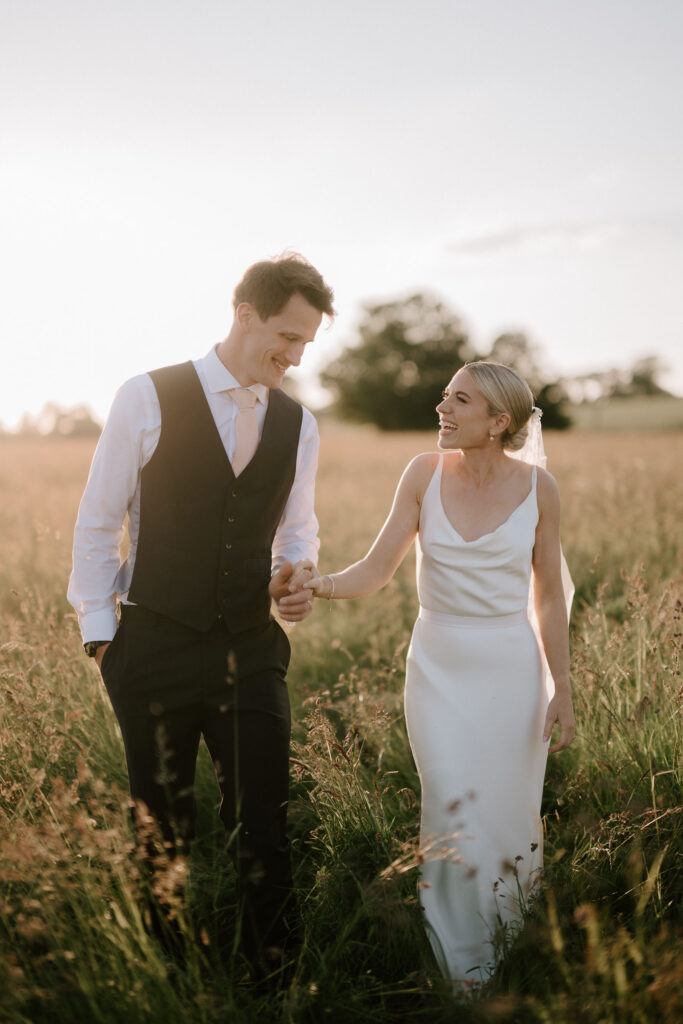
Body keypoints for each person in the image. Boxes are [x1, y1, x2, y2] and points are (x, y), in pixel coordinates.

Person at [67, 252, 334, 979]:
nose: (294, 354)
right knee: (161, 827)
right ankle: (170, 975)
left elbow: (296, 529)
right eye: (286, 336)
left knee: (265, 820)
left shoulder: (297, 424)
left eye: (306, 342)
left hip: (251, 647)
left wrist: (295, 575)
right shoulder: (146, 396)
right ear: (243, 314)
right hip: (150, 645)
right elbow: (98, 524)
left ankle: (273, 976)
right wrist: (102, 640)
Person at [282, 360, 575, 988]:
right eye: (445, 397)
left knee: (508, 810)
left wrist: (562, 689)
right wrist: (321, 584)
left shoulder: (539, 489)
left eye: (459, 401)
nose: (442, 408)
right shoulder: (422, 473)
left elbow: (549, 596)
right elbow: (378, 566)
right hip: (438, 669)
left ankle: (508, 941)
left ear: (499, 422)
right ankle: (456, 968)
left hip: (512, 670)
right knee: (449, 806)